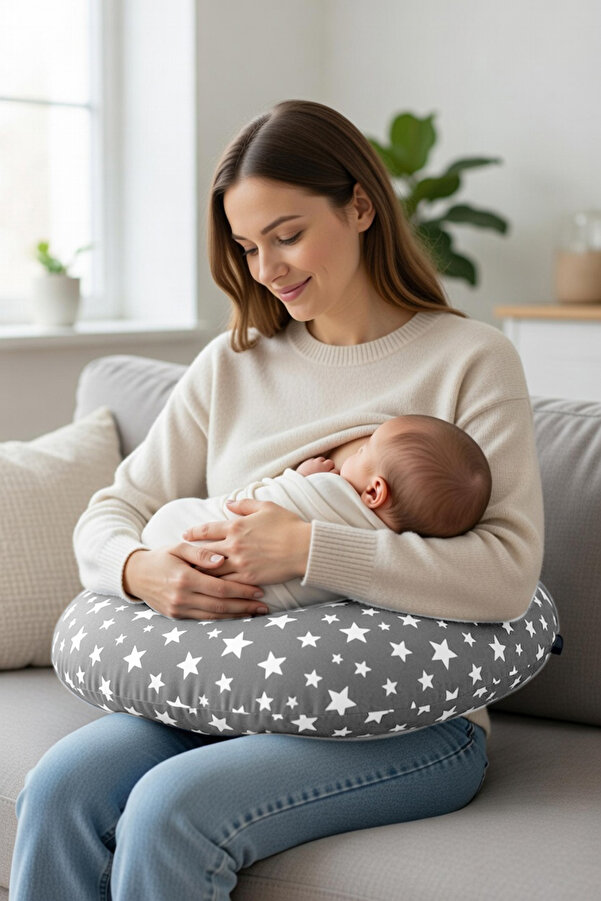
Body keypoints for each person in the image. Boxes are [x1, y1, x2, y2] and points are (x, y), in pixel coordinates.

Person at [10, 99, 543, 901]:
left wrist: (308, 549)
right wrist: (141, 569)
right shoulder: (233, 365)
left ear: (359, 205)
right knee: (59, 787)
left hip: (408, 724)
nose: (267, 268)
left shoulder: (470, 359)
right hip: (223, 696)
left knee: (169, 809)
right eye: (247, 245)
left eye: (287, 234)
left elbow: (504, 576)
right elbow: (109, 512)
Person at [141, 414, 492, 611]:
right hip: (218, 605)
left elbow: (253, 502)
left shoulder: (328, 489)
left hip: (178, 537)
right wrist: (135, 571)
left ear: (374, 491)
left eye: (363, 450)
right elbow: (122, 502)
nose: (349, 459)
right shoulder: (390, 547)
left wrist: (300, 481)